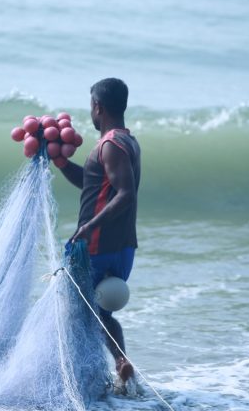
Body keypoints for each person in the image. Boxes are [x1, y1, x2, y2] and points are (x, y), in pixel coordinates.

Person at [56, 77, 141, 387]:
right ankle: (121, 362)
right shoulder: (127, 140)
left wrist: (88, 226)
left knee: (75, 315)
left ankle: (75, 382)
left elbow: (124, 193)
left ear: (97, 106)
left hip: (96, 247)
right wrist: (62, 163)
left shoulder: (110, 145)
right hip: (122, 248)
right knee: (100, 314)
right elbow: (93, 185)